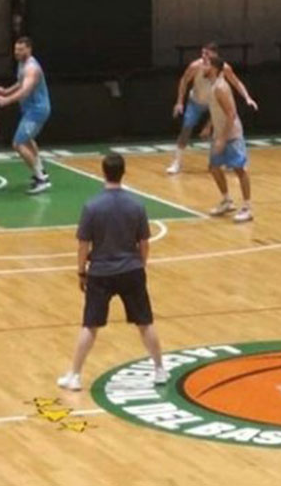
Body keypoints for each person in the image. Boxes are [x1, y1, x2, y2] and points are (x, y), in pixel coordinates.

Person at [57, 153, 167, 391]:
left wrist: (81, 272)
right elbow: (144, 243)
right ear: (123, 172)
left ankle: (75, 376)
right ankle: (159, 370)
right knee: (145, 322)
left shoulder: (92, 206)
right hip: (132, 270)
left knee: (90, 325)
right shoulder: (136, 205)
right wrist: (140, 266)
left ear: (103, 172)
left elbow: (83, 244)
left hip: (101, 273)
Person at [167, 43, 257, 175]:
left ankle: (229, 161)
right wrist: (179, 102)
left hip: (214, 102)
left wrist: (247, 97)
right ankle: (177, 162)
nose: (203, 56)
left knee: (223, 129)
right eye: (202, 53)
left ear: (215, 55)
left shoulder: (224, 68)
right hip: (196, 101)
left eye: (207, 54)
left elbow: (236, 82)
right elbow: (184, 81)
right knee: (186, 128)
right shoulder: (196, 66)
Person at [0, 37, 52, 194]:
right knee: (28, 140)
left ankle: (41, 180)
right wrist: (6, 91)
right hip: (30, 110)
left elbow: (25, 90)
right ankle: (41, 172)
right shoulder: (22, 64)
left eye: (20, 49)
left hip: (36, 111)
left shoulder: (32, 68)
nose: (17, 52)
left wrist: (6, 100)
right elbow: (20, 82)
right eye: (15, 49)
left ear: (29, 49)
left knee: (18, 144)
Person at [201, 54, 252, 223]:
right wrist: (209, 126)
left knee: (239, 169)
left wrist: (222, 139)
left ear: (214, 68)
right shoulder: (213, 85)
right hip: (219, 134)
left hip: (231, 135)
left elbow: (231, 114)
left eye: (206, 64)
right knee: (214, 167)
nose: (202, 67)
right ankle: (227, 201)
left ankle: (247, 208)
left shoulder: (220, 88)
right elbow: (218, 110)